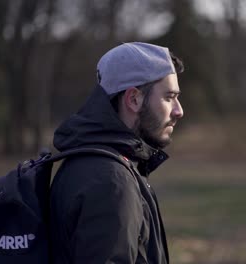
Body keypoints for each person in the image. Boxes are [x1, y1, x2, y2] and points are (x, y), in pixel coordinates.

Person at [49, 42, 184, 264]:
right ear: (133, 99)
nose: (179, 110)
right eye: (169, 97)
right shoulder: (110, 180)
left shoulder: (94, 163)